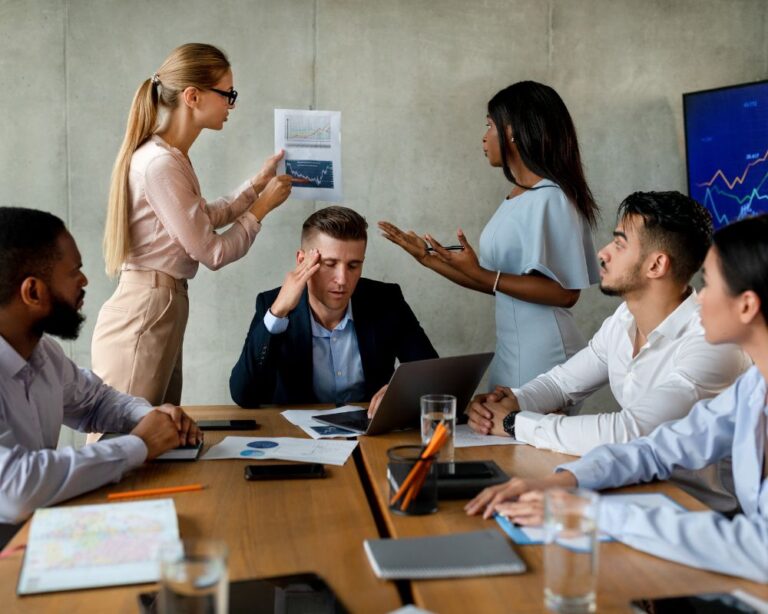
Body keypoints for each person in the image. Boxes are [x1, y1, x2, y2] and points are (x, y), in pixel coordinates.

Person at [466, 214, 768, 583]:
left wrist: (595, 513)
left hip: (726, 549)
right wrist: (561, 482)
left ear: (747, 305)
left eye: (709, 283)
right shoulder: (754, 386)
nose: (700, 296)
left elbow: (758, 548)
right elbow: (657, 448)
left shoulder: (710, 350)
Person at [92, 43, 295, 407]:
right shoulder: (160, 164)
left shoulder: (171, 158)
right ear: (192, 96)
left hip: (159, 304)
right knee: (125, 443)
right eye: (227, 94)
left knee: (154, 438)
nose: (231, 104)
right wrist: (262, 208)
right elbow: (212, 251)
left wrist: (256, 185)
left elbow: (203, 218)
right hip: (148, 308)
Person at [379, 81, 600, 390]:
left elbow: (566, 293)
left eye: (488, 126)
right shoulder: (518, 195)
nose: (483, 138)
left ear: (511, 131)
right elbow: (494, 282)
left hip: (543, 352)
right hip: (513, 349)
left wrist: (485, 275)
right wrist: (426, 259)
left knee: (518, 435)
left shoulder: (552, 198)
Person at [0, 207, 201, 536]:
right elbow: (14, 488)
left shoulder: (42, 352)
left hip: (37, 531)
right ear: (33, 292)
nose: (85, 281)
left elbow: (95, 401)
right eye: (74, 271)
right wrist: (139, 445)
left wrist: (148, 416)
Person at [229, 206, 437, 409]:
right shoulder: (272, 304)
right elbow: (244, 395)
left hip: (372, 437)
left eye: (353, 266)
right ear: (302, 261)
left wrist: (400, 391)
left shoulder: (385, 300)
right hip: (297, 438)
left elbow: (432, 373)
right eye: (329, 264)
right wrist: (278, 313)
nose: (342, 279)